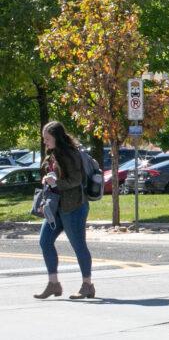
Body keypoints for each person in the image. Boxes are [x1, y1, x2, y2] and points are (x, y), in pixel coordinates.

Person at [35, 121, 94, 300]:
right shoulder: (51, 154)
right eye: (44, 139)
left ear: (57, 138)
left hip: (74, 206)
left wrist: (56, 182)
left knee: (78, 245)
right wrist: (47, 180)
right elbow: (52, 176)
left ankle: (87, 285)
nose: (45, 142)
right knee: (45, 241)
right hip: (56, 207)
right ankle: (54, 284)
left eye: (47, 138)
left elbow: (76, 180)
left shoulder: (70, 154)